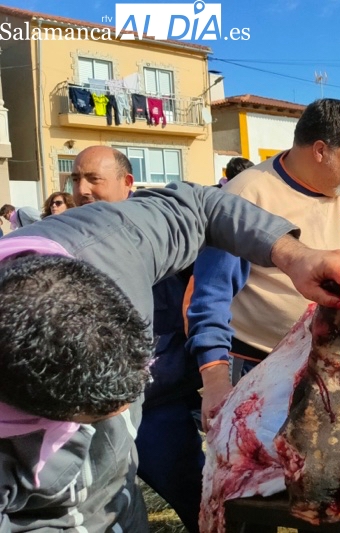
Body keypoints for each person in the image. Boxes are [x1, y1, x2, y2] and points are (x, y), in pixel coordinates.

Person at [0, 182, 340, 532]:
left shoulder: (109, 243)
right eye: (98, 412)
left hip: (116, 496)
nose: (125, 413)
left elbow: (203, 207)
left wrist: (294, 255)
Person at [187, 98, 340, 427]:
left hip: (332, 354)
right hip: (259, 359)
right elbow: (207, 297)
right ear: (320, 151)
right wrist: (215, 380)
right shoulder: (246, 197)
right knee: (264, 459)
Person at [69, 145, 204, 531]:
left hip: (157, 406)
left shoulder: (163, 237)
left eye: (94, 179)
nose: (82, 189)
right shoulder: (57, 241)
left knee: (200, 504)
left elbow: (211, 293)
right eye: (76, 178)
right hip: (84, 416)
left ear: (127, 184)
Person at [70, 145, 134, 204]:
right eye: (75, 180)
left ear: (126, 183)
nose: (81, 191)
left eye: (94, 179)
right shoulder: (70, 215)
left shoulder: (141, 215)